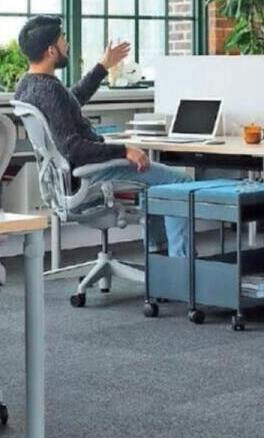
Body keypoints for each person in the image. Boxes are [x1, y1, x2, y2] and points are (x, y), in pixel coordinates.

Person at [13, 15, 192, 257]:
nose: (67, 43)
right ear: (51, 51)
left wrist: (103, 66)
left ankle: (158, 256)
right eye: (63, 39)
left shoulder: (27, 85)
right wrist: (124, 151)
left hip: (71, 175)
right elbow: (73, 148)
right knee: (179, 182)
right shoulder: (50, 89)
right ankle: (180, 265)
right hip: (90, 172)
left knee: (154, 180)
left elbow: (70, 101)